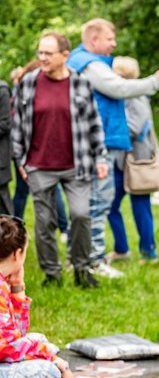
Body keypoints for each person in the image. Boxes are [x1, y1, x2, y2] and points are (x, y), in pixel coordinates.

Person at [65, 18, 159, 279]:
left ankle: (79, 256)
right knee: (98, 203)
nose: (114, 44)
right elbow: (118, 87)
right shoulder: (89, 64)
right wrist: (155, 81)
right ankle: (95, 259)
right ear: (93, 40)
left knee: (90, 203)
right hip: (98, 145)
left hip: (92, 142)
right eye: (109, 38)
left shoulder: (83, 62)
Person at [12, 33, 109, 288]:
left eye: (48, 53)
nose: (42, 58)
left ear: (65, 56)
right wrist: (21, 160)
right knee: (44, 223)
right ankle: (52, 274)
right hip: (39, 165)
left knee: (80, 215)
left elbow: (94, 124)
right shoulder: (29, 83)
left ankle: (81, 269)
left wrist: (100, 156)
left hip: (76, 164)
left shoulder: (81, 84)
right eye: (40, 53)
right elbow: (18, 124)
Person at [0, 216, 74, 378]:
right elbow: (5, 348)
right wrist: (55, 361)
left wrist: (18, 288)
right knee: (48, 373)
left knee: (39, 340)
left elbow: (17, 335)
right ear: (17, 254)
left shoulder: (4, 284)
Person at [107, 57, 159, 264]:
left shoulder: (136, 96)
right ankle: (122, 249)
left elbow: (135, 127)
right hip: (121, 161)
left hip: (138, 161)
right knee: (110, 205)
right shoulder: (123, 97)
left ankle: (149, 253)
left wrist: (109, 130)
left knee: (141, 206)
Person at [10, 63, 69, 241]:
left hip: (36, 152)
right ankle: (16, 230)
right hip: (32, 153)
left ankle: (14, 228)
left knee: (24, 192)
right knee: (45, 191)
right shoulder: (26, 93)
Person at [0, 77, 11, 216]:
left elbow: (5, 124)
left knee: (3, 205)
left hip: (0, 160)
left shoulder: (2, 90)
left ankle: (13, 237)